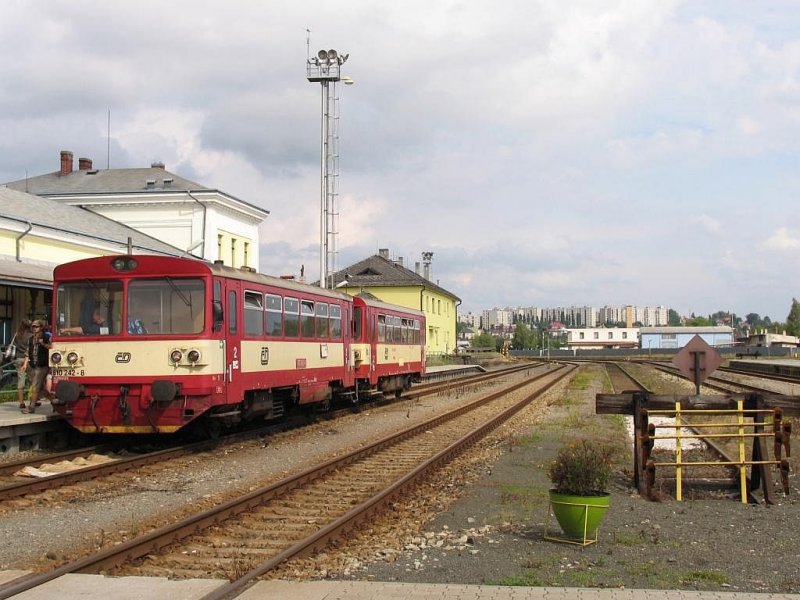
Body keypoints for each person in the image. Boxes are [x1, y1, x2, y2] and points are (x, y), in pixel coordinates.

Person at [20, 320, 51, 414]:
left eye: (36, 327)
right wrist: (25, 364)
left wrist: (43, 344)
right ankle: (53, 399)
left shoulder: (46, 337)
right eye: (33, 327)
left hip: (42, 366)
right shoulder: (30, 339)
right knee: (40, 388)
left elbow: (53, 347)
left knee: (35, 386)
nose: (34, 328)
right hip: (33, 365)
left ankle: (31, 407)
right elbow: (27, 352)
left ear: (41, 327)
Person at [9, 319, 32, 409]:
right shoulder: (31, 335)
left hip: (18, 358)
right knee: (32, 381)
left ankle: (21, 403)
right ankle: (32, 400)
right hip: (29, 360)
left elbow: (14, 345)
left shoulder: (17, 334)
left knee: (20, 380)